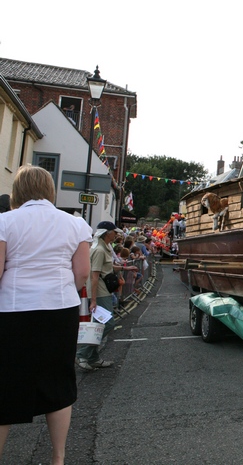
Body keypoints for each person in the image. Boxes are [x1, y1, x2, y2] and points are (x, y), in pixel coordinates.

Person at [0, 165, 92, 465]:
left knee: (6, 384)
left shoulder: (4, 221)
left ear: (18, 190)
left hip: (13, 308)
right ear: (50, 189)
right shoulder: (75, 224)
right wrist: (63, 289)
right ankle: (58, 458)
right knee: (58, 382)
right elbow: (82, 273)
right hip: (60, 308)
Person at [75, 221, 126, 371]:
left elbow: (106, 269)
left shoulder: (104, 249)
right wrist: (94, 300)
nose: (116, 235)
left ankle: (93, 358)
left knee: (98, 325)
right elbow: (94, 276)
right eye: (114, 232)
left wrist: (125, 267)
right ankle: (82, 353)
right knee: (107, 324)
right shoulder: (99, 250)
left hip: (103, 291)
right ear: (107, 233)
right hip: (100, 293)